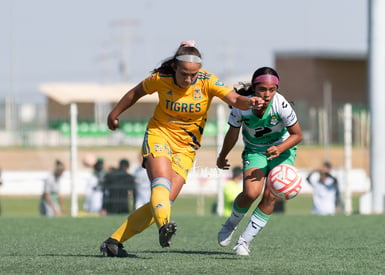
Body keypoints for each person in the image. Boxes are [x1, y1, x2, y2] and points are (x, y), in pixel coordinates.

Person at [99, 40, 264, 257]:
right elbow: (135, 93)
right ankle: (163, 227)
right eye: (184, 73)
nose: (188, 79)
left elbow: (234, 98)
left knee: (162, 203)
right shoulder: (161, 79)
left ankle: (113, 242)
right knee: (161, 184)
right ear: (175, 67)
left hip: (186, 148)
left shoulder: (207, 81)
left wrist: (249, 102)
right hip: (159, 135)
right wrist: (114, 113)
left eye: (192, 75)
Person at [216, 67, 303, 256]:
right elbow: (232, 135)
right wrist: (222, 155)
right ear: (254, 88)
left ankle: (244, 242)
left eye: (272, 89)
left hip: (282, 150)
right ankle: (231, 223)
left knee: (271, 195)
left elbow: (297, 135)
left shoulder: (281, 104)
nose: (267, 94)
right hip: (255, 151)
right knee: (250, 193)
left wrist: (279, 148)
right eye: (263, 89)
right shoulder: (242, 106)